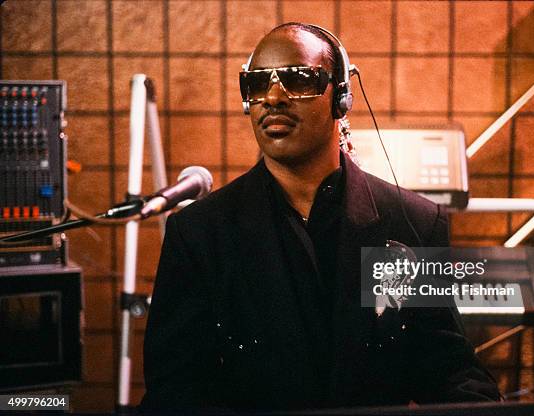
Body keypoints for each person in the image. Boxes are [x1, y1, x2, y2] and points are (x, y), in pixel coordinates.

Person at [140, 22, 500, 412]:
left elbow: (444, 364)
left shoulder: (412, 222)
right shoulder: (199, 233)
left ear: (341, 97)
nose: (273, 98)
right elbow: (175, 389)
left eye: (299, 80)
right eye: (257, 84)